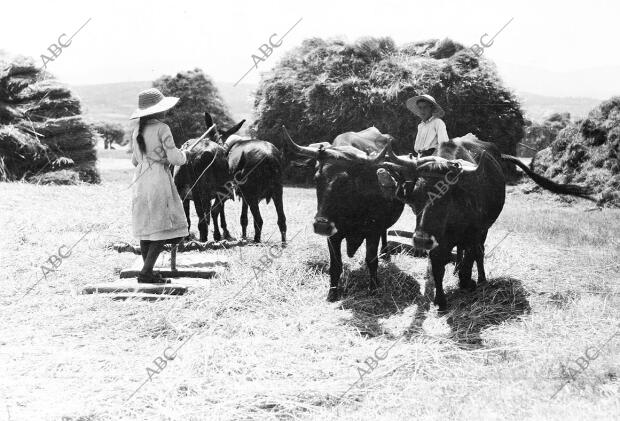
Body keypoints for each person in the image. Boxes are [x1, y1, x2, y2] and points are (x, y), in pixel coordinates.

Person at [129, 88, 190, 284]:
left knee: (146, 226)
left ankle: (148, 270)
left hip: (141, 179)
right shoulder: (163, 128)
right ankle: (146, 273)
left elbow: (135, 161)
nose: (166, 111)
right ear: (157, 111)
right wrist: (185, 153)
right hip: (158, 179)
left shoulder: (137, 131)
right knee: (161, 224)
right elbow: (175, 159)